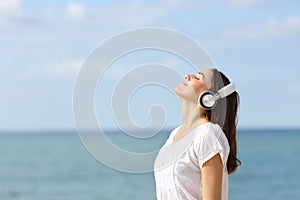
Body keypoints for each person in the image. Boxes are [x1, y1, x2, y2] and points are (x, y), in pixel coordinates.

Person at [154, 69, 241, 200]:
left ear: (209, 98)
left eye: (197, 77)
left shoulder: (208, 134)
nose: (187, 76)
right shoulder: (174, 134)